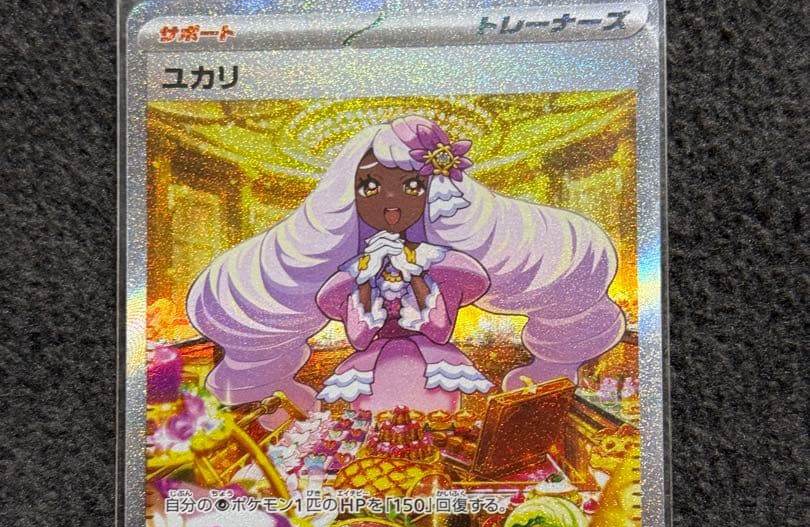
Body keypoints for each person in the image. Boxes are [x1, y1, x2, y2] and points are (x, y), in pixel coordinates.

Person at [187, 115, 625, 414]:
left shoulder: (445, 266)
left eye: (412, 186)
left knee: (432, 437)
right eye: (371, 187)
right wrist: (363, 279)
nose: (391, 202)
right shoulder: (350, 274)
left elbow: (437, 329)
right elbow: (360, 337)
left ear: (432, 193)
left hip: (432, 366)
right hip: (370, 371)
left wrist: (416, 276)